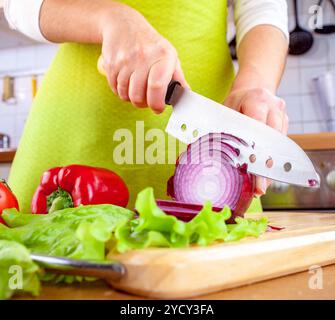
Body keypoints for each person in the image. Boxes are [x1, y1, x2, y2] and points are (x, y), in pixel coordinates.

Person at [4, 0, 289, 212]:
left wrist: (255, 83)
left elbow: (263, 8)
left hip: (211, 147)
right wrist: (111, 18)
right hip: (71, 140)